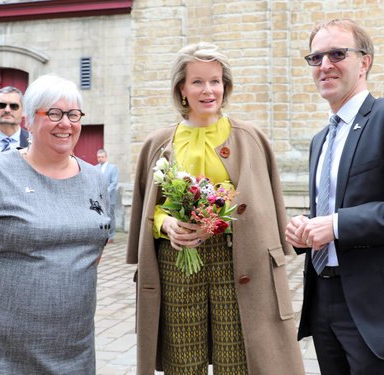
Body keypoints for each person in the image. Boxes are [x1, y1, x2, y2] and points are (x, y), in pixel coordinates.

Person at [127, 42, 305, 375]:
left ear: (225, 86)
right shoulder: (158, 142)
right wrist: (167, 226)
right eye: (197, 82)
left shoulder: (250, 137)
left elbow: (264, 205)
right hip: (176, 263)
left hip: (235, 263)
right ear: (182, 88)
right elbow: (150, 210)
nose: (208, 90)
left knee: (236, 361)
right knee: (182, 361)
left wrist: (219, 213)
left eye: (215, 81)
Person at [285, 18, 384, 375]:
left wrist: (336, 226)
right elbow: (332, 209)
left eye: (337, 53)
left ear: (364, 62)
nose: (325, 65)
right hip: (324, 300)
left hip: (381, 309)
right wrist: (304, 230)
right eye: (315, 58)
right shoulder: (320, 140)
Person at [0, 74, 110, 374]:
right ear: (29, 119)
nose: (65, 123)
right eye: (53, 113)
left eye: (73, 114)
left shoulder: (95, 179)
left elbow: (95, 244)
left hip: (73, 349)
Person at [95, 149, 118, 243]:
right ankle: (101, 235)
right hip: (97, 198)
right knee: (99, 216)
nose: (100, 159)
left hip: (109, 197)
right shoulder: (94, 168)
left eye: (102, 157)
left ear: (106, 157)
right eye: (98, 157)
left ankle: (110, 236)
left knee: (110, 216)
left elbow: (114, 182)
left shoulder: (113, 168)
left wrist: (105, 192)